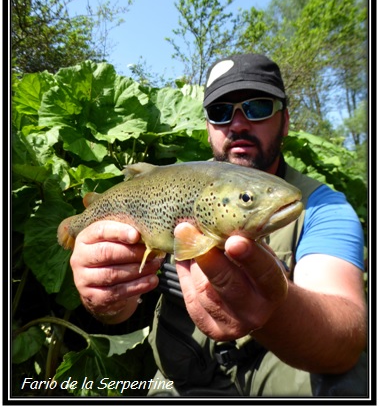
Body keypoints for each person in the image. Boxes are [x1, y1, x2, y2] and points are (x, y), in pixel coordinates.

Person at [70, 54, 367, 397]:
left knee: (352, 385)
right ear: (208, 126)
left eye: (257, 107)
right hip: (178, 377)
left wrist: (275, 311)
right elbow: (122, 312)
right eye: (221, 111)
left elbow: (345, 338)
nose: (238, 123)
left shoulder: (322, 206)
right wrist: (104, 297)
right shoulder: (173, 185)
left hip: (281, 372)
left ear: (285, 121)